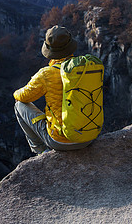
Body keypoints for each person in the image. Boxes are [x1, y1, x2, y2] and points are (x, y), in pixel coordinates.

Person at [13, 25, 92, 154]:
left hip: (60, 141)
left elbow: (24, 97)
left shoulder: (47, 74)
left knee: (19, 105)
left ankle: (40, 151)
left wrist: (15, 92)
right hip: (89, 136)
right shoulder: (86, 66)